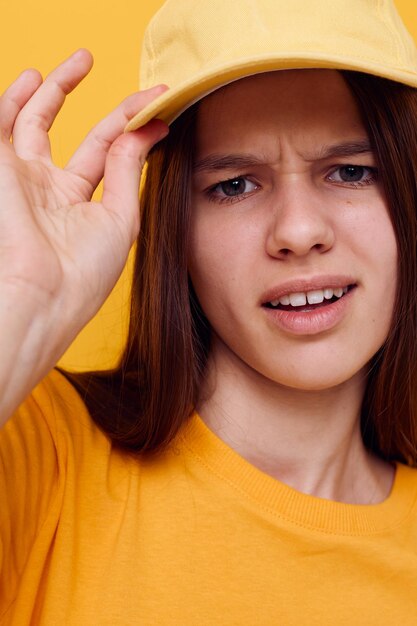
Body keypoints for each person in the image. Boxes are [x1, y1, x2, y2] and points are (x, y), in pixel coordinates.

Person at [2, 0, 417, 623]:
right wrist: (18, 303)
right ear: (177, 229)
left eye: (352, 171)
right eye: (234, 185)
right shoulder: (43, 449)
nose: (299, 232)